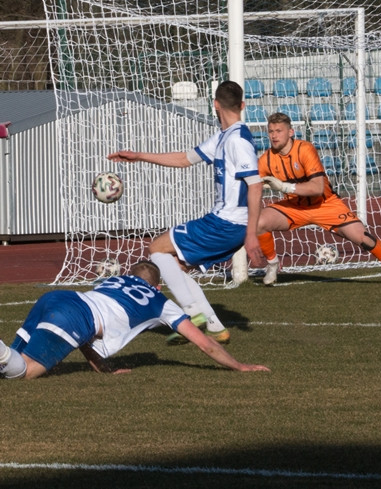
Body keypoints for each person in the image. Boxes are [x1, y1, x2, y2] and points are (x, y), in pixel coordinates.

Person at [0, 260, 270, 377]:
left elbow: (88, 335)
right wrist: (239, 366)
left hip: (59, 298)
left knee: (6, 359)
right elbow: (205, 342)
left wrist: (103, 369)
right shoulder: (162, 302)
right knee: (22, 372)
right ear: (156, 284)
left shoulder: (113, 280)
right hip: (76, 315)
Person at [106, 80, 265, 343]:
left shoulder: (237, 140)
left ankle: (191, 313)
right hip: (226, 223)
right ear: (242, 105)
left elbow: (256, 186)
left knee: (157, 248)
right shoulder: (224, 136)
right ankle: (214, 326)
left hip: (226, 223)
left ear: (215, 105)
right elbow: (184, 159)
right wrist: (140, 156)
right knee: (175, 266)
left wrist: (251, 236)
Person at [247, 112, 381, 286]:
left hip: (325, 204)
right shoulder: (265, 161)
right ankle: (272, 264)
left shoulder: (305, 149)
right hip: (294, 207)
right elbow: (253, 187)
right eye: (271, 131)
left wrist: (284, 187)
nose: (274, 136)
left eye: (279, 131)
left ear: (290, 132)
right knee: (259, 221)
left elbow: (317, 188)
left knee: (364, 238)